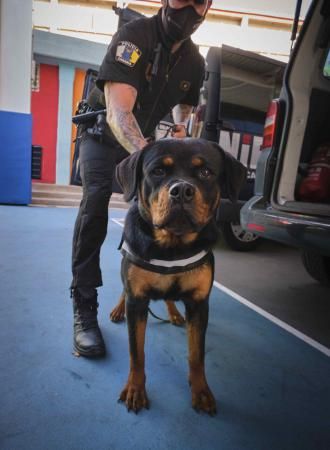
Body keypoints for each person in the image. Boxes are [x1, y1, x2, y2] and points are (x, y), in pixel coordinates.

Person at [71, 0, 213, 357]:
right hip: (103, 134)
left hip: (144, 144)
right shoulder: (134, 37)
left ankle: (138, 283)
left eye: (199, 2)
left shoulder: (194, 61)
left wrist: (182, 131)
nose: (189, 10)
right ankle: (85, 306)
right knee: (95, 205)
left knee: (147, 212)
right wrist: (152, 160)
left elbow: (186, 105)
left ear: (207, 7)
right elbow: (120, 113)